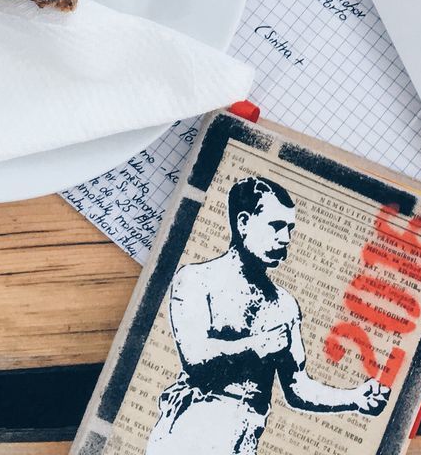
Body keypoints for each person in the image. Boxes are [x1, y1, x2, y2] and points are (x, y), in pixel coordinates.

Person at [146, 175, 390, 455]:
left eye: (290, 228)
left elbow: (297, 388)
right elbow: (195, 358)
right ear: (244, 223)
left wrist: (354, 399)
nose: (285, 238)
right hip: (188, 436)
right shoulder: (196, 280)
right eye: (276, 226)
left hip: (242, 443)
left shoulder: (285, 306)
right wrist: (257, 345)